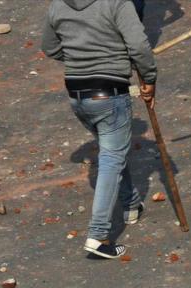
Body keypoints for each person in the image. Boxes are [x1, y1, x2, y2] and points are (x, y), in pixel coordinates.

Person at [42, 0, 156, 259]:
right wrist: (149, 78)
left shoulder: (58, 4)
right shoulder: (118, 2)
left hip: (78, 96)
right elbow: (139, 46)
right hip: (109, 94)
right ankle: (98, 236)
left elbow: (49, 46)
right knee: (112, 157)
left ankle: (131, 204)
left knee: (112, 151)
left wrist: (79, 59)